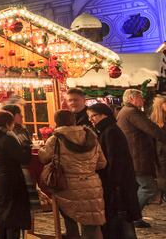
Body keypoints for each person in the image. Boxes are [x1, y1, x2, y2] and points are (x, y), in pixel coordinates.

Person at [39, 110, 106, 239]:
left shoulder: (56, 139)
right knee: (92, 222)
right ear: (74, 120)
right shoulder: (91, 137)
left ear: (57, 122)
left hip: (67, 185)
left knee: (70, 216)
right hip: (92, 184)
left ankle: (72, 235)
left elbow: (44, 157)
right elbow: (102, 163)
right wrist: (87, 168)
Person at [88, 102, 140, 239]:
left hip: (118, 187)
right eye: (90, 116)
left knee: (120, 223)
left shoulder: (110, 131)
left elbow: (115, 161)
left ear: (104, 115)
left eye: (94, 115)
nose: (91, 119)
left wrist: (111, 184)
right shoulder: (107, 130)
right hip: (118, 185)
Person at [117, 88, 166, 227]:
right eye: (140, 97)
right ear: (132, 99)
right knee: (148, 187)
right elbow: (152, 129)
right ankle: (132, 216)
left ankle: (133, 216)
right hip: (137, 157)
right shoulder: (132, 113)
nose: (143, 100)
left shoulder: (126, 112)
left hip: (135, 157)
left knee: (142, 187)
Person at [0, 110, 31, 239]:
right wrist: (26, 146)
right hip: (12, 180)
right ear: (7, 123)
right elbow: (23, 158)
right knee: (13, 217)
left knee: (1, 216)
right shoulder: (7, 139)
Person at [149, 93, 166, 203]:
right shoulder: (154, 120)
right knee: (163, 173)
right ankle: (163, 194)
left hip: (161, 150)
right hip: (161, 151)